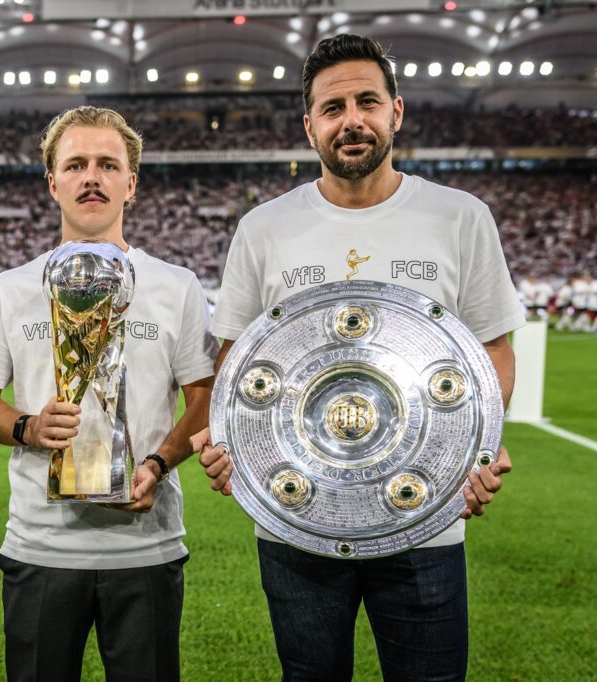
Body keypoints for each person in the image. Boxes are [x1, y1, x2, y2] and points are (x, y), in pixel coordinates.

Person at [192, 35, 525, 681]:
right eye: (333, 107)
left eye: (367, 102)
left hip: (424, 516)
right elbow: (235, 364)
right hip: (296, 519)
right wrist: (227, 442)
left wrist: (479, 439)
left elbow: (492, 352)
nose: (352, 120)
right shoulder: (263, 228)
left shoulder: (461, 217)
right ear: (309, 125)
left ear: (395, 111)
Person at [0, 106, 218, 682]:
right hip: (40, 546)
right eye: (75, 165)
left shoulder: (177, 287)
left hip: (146, 546)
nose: (91, 178)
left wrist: (157, 464)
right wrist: (28, 427)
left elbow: (205, 399)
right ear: (53, 183)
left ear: (132, 183)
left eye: (107, 165)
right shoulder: (10, 288)